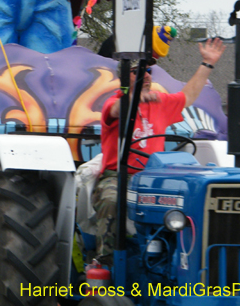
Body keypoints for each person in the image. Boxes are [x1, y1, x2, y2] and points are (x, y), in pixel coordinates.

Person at [91, 37, 226, 263]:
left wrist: (207, 64)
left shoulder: (160, 102)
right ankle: (106, 262)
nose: (146, 76)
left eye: (149, 71)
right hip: (119, 176)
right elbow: (116, 109)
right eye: (137, 71)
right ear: (124, 76)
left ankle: (189, 261)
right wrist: (132, 99)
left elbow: (189, 96)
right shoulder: (114, 103)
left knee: (194, 201)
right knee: (111, 200)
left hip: (152, 179)